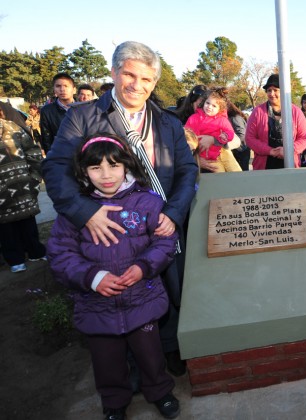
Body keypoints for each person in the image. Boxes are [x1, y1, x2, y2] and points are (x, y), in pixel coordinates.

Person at [41, 40, 198, 378]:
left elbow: (187, 169)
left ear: (154, 83)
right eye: (129, 74)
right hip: (111, 228)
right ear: (113, 73)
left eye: (146, 79)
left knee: (169, 286)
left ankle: (169, 349)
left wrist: (175, 213)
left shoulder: (167, 121)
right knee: (122, 294)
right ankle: (130, 366)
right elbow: (55, 168)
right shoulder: (83, 116)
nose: (136, 85)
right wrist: (84, 212)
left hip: (160, 223)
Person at [47, 134, 181, 420]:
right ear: (84, 171)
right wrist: (93, 278)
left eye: (114, 166)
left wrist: (144, 267)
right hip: (96, 305)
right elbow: (60, 255)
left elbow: (164, 243)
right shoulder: (75, 210)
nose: (106, 175)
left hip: (142, 299)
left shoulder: (147, 202)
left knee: (151, 355)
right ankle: (114, 401)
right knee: (106, 361)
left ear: (126, 166)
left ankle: (160, 391)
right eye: (96, 168)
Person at [0, 108, 47, 273]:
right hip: (1, 192)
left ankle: (36, 251)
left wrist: (34, 176)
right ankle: (15, 259)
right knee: (6, 227)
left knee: (28, 221)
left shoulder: (12, 127)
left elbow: (32, 150)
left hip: (22, 185)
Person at [245, 74, 306, 169]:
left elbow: (304, 138)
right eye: (269, 90)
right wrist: (270, 151)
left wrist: (288, 150)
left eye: (275, 90)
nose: (271, 93)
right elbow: (249, 138)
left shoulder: (296, 112)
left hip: (290, 165)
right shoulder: (257, 112)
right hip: (264, 167)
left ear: (283, 91)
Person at [184, 88, 241, 173]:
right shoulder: (194, 118)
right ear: (203, 102)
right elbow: (186, 135)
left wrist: (223, 137)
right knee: (218, 175)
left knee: (235, 170)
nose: (209, 107)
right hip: (202, 155)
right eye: (208, 103)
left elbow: (230, 133)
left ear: (220, 109)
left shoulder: (222, 120)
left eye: (214, 106)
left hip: (219, 153)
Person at [40, 72, 75, 153]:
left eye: (66, 86)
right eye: (58, 86)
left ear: (74, 89)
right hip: (60, 154)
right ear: (54, 90)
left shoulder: (83, 108)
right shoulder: (46, 111)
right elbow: (46, 139)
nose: (62, 89)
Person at [226, 97, 251, 171]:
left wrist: (227, 146)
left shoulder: (235, 117)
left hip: (241, 152)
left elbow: (241, 136)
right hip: (238, 151)